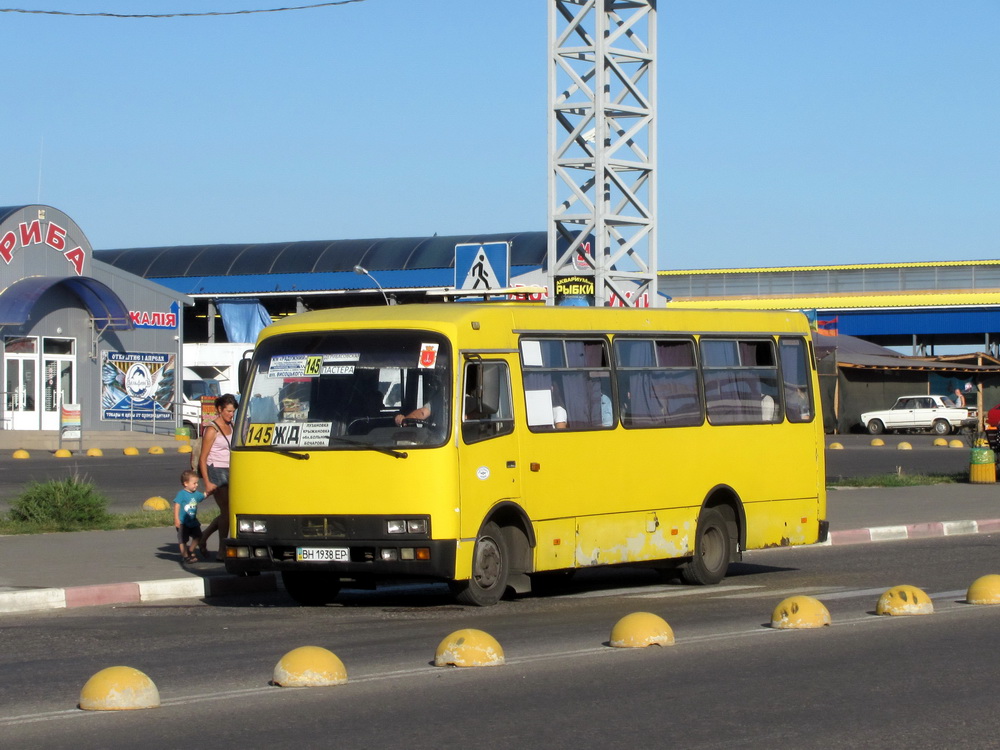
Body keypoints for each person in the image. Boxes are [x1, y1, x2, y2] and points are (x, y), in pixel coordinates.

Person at [199, 394, 238, 561]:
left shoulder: (232, 425)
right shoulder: (212, 429)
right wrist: (207, 482)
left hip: (232, 470)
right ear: (220, 410)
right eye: (228, 411)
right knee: (227, 511)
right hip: (216, 470)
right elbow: (203, 457)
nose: (231, 414)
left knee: (229, 511)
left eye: (233, 411)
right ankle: (222, 550)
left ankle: (203, 537)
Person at [174, 469, 210, 564]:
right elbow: (177, 505)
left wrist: (211, 491)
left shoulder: (196, 494)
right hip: (183, 522)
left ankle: (190, 550)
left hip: (193, 521)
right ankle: (185, 556)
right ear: (186, 483)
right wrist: (177, 519)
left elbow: (203, 496)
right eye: (194, 483)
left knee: (198, 536)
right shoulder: (181, 494)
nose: (197, 485)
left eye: (197, 483)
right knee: (183, 540)